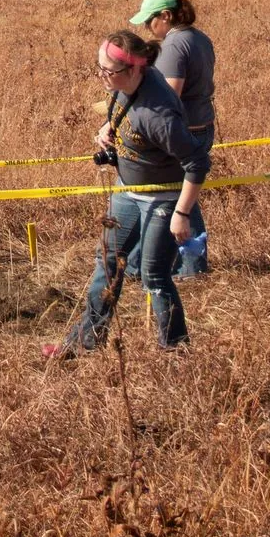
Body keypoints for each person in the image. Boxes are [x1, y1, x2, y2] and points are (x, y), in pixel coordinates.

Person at [47, 30, 211, 357]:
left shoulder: (159, 114)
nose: (103, 77)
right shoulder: (124, 86)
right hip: (127, 188)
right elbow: (120, 106)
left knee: (154, 275)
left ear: (135, 69)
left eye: (109, 71)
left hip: (163, 198)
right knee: (108, 264)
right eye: (100, 68)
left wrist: (181, 215)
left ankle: (175, 352)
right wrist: (110, 127)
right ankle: (85, 342)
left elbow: (197, 162)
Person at [126, 0, 216, 276]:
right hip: (202, 126)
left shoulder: (173, 46)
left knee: (178, 200)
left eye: (150, 21)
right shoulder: (199, 38)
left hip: (180, 135)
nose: (147, 28)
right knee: (178, 197)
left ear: (166, 16)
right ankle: (136, 263)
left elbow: (168, 96)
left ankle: (192, 267)